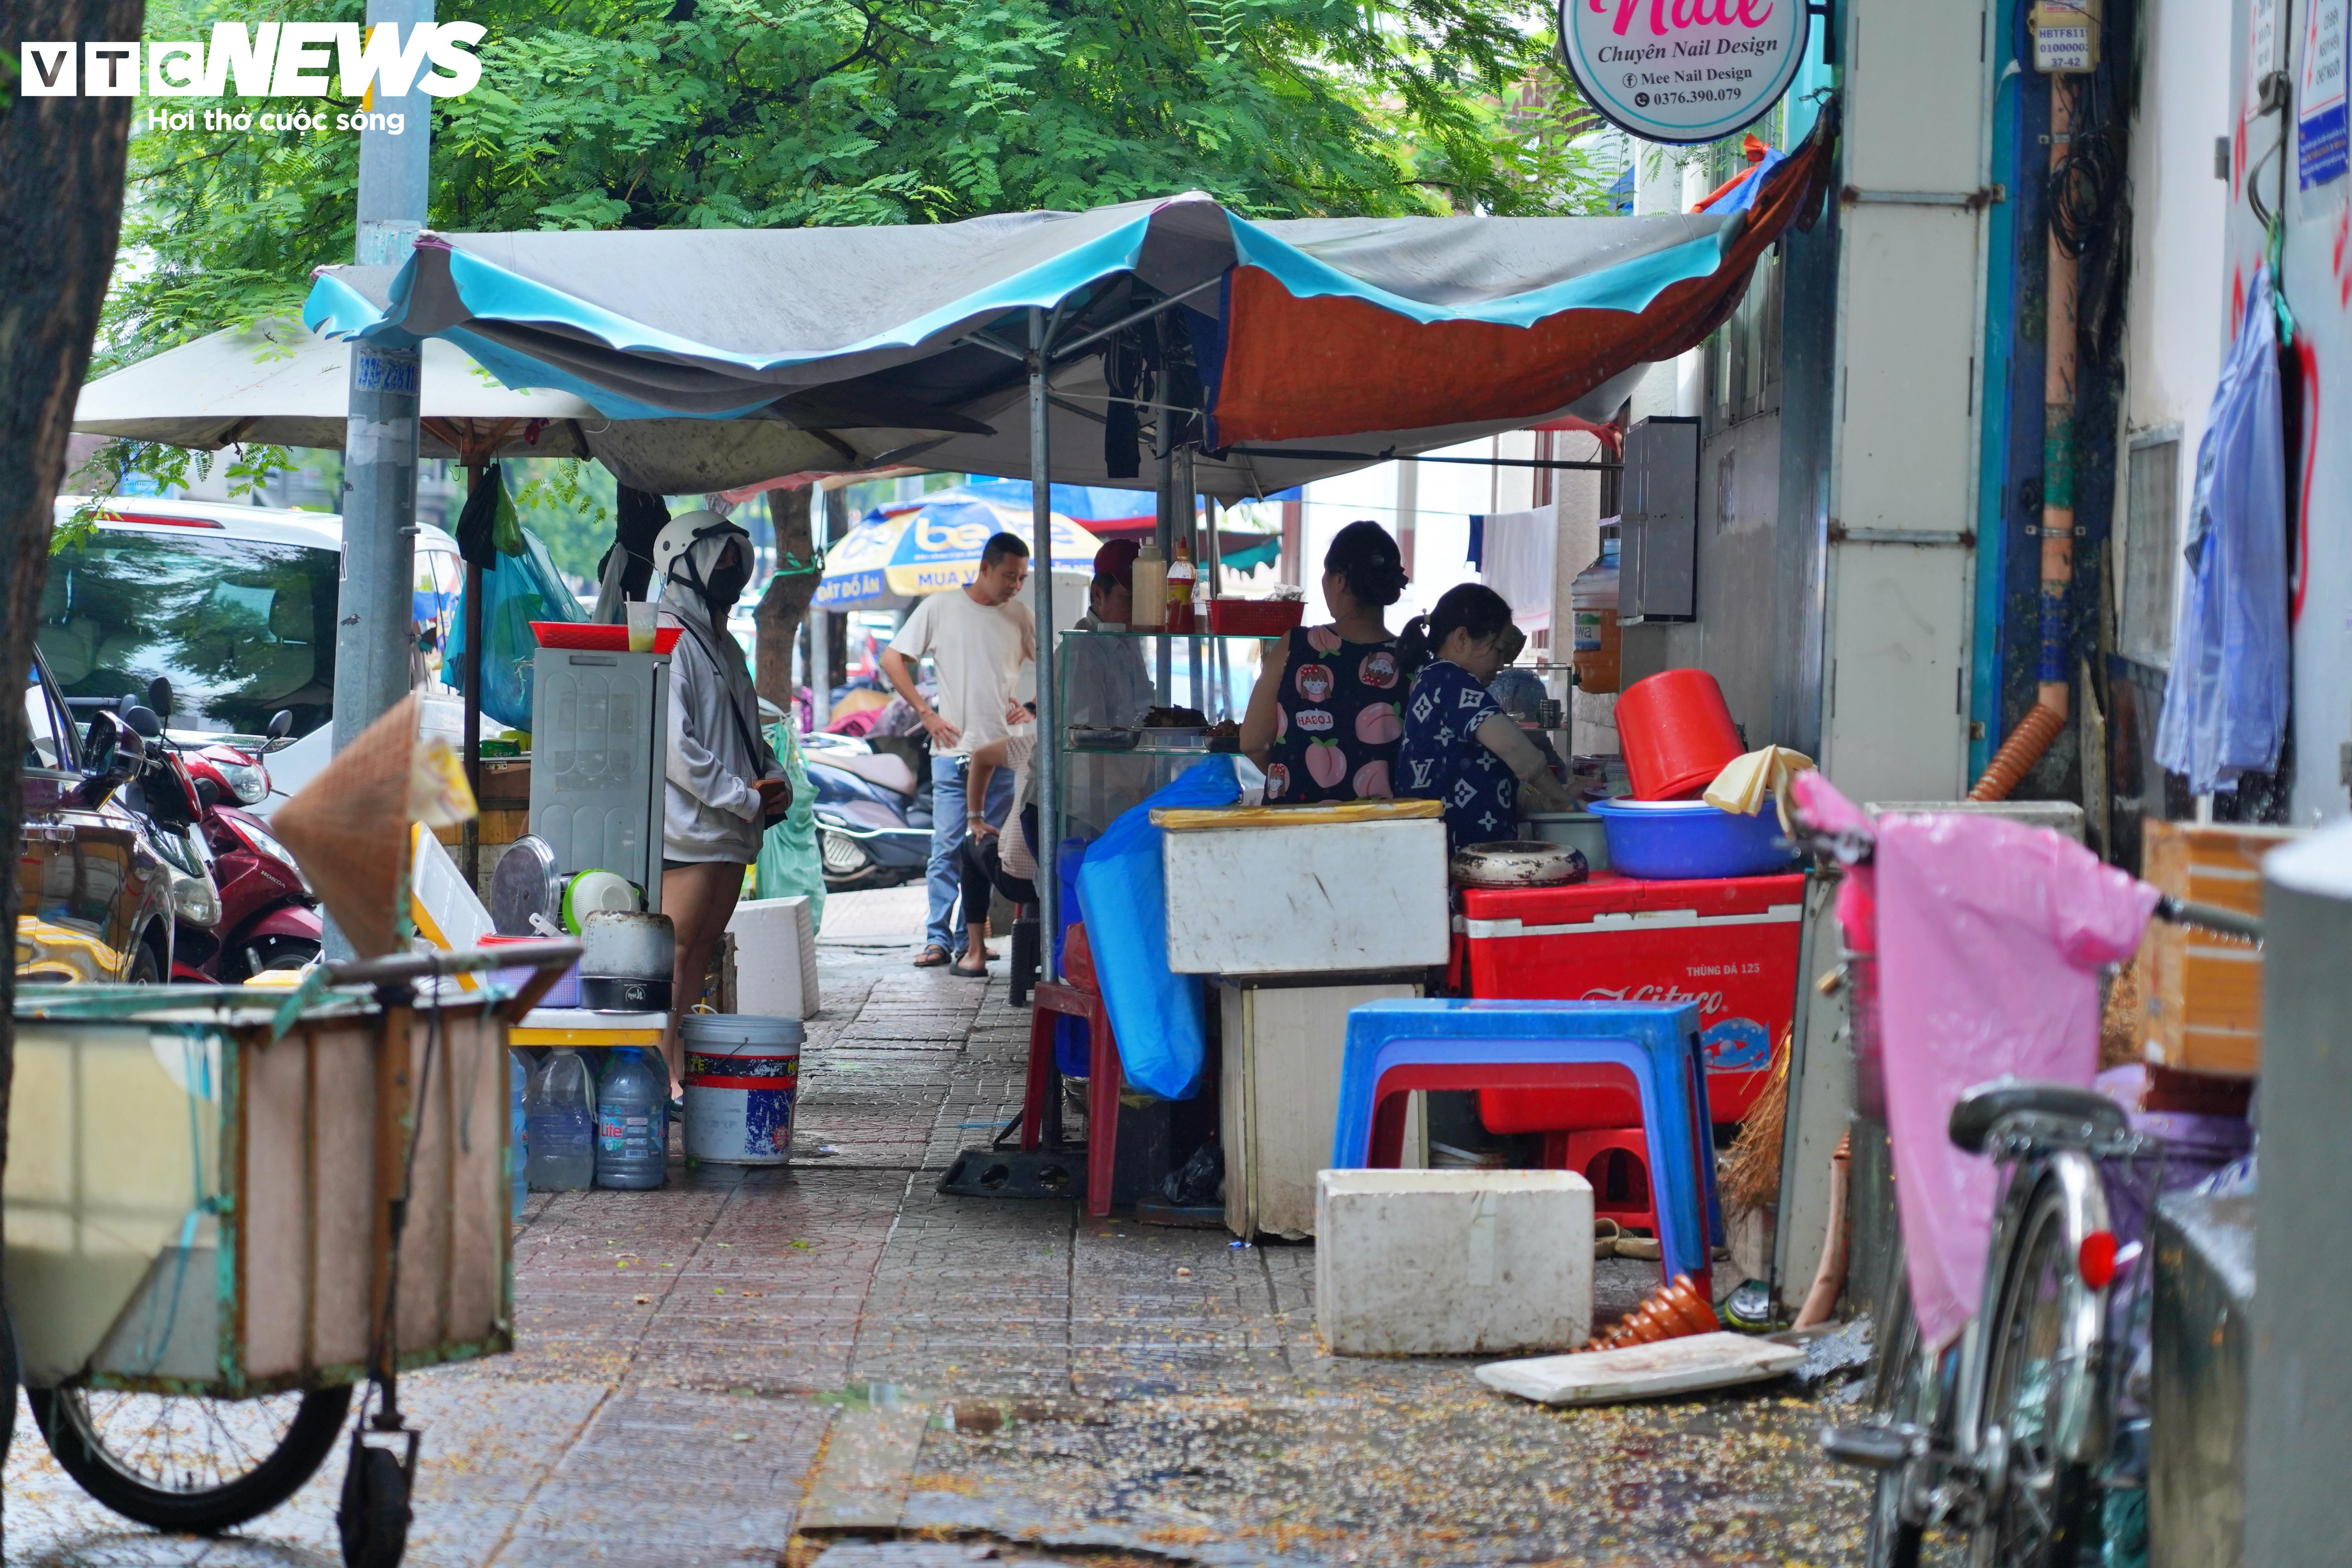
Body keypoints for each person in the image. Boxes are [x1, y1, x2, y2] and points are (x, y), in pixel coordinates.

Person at [653, 511, 792, 1092]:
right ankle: (664, 1074)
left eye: (739, 562)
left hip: (732, 829)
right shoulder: (669, 639)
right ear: (685, 565)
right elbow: (674, 747)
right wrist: (743, 797)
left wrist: (771, 778)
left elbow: (747, 731)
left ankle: (678, 1069)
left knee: (699, 950)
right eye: (722, 562)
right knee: (676, 956)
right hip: (691, 832)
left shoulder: (724, 644)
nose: (733, 574)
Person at [879, 531, 1036, 969]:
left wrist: (1031, 706)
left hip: (1005, 759)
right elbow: (892, 659)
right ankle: (937, 939)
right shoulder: (941, 607)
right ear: (984, 568)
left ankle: (976, 943)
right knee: (947, 850)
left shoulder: (1021, 615)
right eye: (1009, 575)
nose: (1015, 585)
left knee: (995, 853)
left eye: (1022, 577)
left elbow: (1062, 665)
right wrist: (926, 714)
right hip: (953, 756)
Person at [1394, 583, 1576, 849]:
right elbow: (1515, 747)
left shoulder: (1432, 678)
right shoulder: (1451, 680)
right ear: (1462, 639)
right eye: (1498, 650)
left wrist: (1543, 800)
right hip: (1462, 849)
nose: (1501, 664)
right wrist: (1562, 801)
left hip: (1446, 846)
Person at [1240, 519, 1408, 803]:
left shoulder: (1295, 647)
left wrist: (1288, 776)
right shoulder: (1412, 658)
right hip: (1384, 833)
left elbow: (1254, 743)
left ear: (1340, 580)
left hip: (1296, 828)